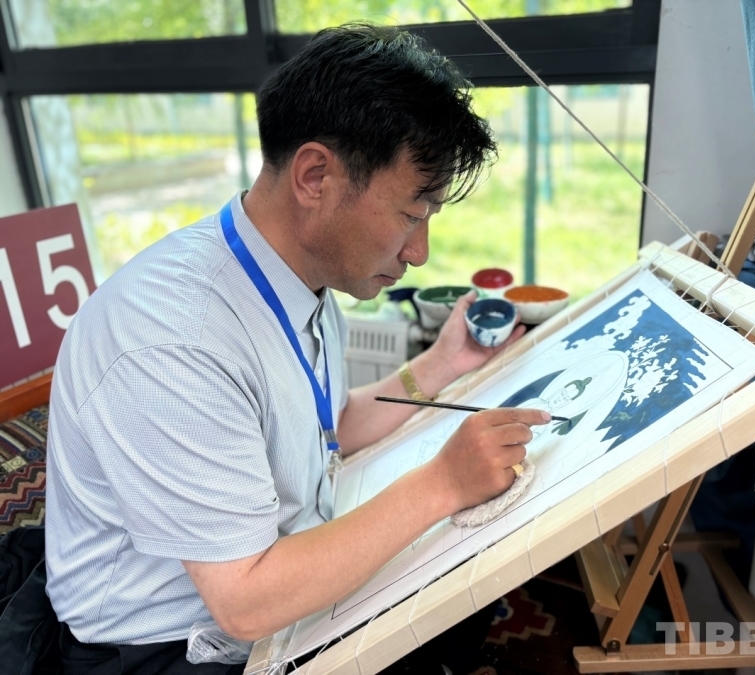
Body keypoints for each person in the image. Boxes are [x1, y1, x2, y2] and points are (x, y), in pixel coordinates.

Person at [44, 23, 550, 675]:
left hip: (262, 582)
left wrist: (442, 364)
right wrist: (442, 484)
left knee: (465, 597)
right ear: (315, 176)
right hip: (169, 646)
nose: (420, 252)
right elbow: (245, 602)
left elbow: (328, 422)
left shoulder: (299, 274)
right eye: (411, 213)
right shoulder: (173, 339)